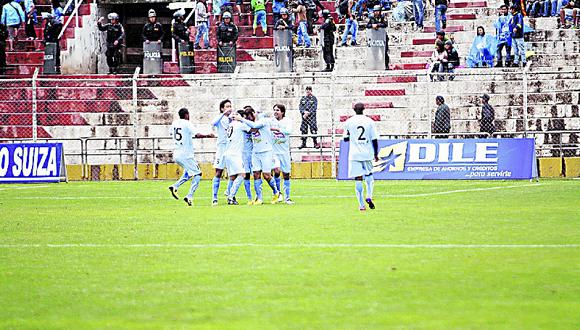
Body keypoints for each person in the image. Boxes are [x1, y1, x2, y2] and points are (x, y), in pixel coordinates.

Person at [169, 108, 215, 206]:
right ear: (186, 115)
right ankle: (189, 196)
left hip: (177, 153)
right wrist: (208, 135)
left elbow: (173, 134)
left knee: (188, 173)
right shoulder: (187, 123)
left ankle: (175, 186)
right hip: (186, 155)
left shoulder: (174, 123)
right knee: (198, 174)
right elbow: (197, 134)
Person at [238, 109, 280, 205]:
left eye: (249, 117)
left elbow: (255, 126)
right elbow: (248, 128)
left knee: (266, 175)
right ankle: (259, 198)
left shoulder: (263, 121)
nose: (248, 119)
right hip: (255, 152)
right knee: (256, 174)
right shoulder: (248, 124)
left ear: (253, 114)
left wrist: (241, 119)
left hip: (266, 151)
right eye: (246, 118)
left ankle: (276, 192)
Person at [343, 103, 378, 211]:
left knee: (358, 178)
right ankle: (369, 195)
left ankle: (361, 205)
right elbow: (374, 139)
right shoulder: (370, 122)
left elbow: (345, 138)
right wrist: (376, 153)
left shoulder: (348, 122)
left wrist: (352, 137)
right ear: (364, 109)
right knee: (369, 174)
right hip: (367, 153)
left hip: (354, 154)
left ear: (354, 110)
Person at [223, 110, 253, 205]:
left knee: (232, 176)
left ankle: (229, 193)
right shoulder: (240, 125)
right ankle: (230, 196)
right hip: (234, 154)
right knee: (242, 175)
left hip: (228, 153)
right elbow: (253, 129)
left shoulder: (230, 125)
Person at [271, 104, 294, 204]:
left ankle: (287, 197)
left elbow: (289, 131)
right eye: (274, 110)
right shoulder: (271, 121)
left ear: (282, 112)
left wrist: (278, 129)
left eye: (278, 110)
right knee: (276, 170)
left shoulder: (288, 121)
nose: (275, 112)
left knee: (286, 174)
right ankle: (278, 193)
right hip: (274, 152)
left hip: (284, 152)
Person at [211, 99, 232, 206]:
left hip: (231, 148)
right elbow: (213, 123)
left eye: (230, 106)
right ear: (222, 108)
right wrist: (223, 114)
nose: (229, 108)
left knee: (233, 174)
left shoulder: (232, 119)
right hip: (221, 148)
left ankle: (230, 195)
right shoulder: (220, 119)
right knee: (218, 172)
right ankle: (214, 197)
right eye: (227, 106)